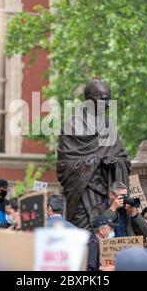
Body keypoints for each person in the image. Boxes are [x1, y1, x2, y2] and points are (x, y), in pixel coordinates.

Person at [57, 79, 131, 229]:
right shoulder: (71, 126)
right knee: (83, 238)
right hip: (82, 195)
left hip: (105, 195)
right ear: (90, 100)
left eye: (110, 100)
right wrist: (96, 161)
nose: (108, 104)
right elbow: (64, 166)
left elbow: (124, 159)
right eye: (104, 99)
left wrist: (115, 162)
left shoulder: (108, 126)